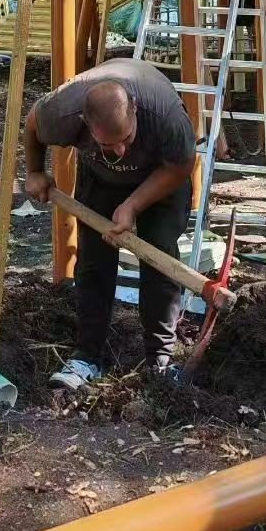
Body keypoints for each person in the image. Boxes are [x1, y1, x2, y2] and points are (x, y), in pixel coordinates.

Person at [24, 58, 197, 392]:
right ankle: (87, 357)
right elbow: (32, 125)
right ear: (84, 125)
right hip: (100, 181)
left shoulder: (165, 116)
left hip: (161, 178)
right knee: (93, 263)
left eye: (126, 138)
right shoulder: (61, 111)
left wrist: (132, 205)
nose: (119, 150)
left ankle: (160, 363)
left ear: (134, 109)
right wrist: (34, 171)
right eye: (107, 144)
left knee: (159, 259)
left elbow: (181, 166)